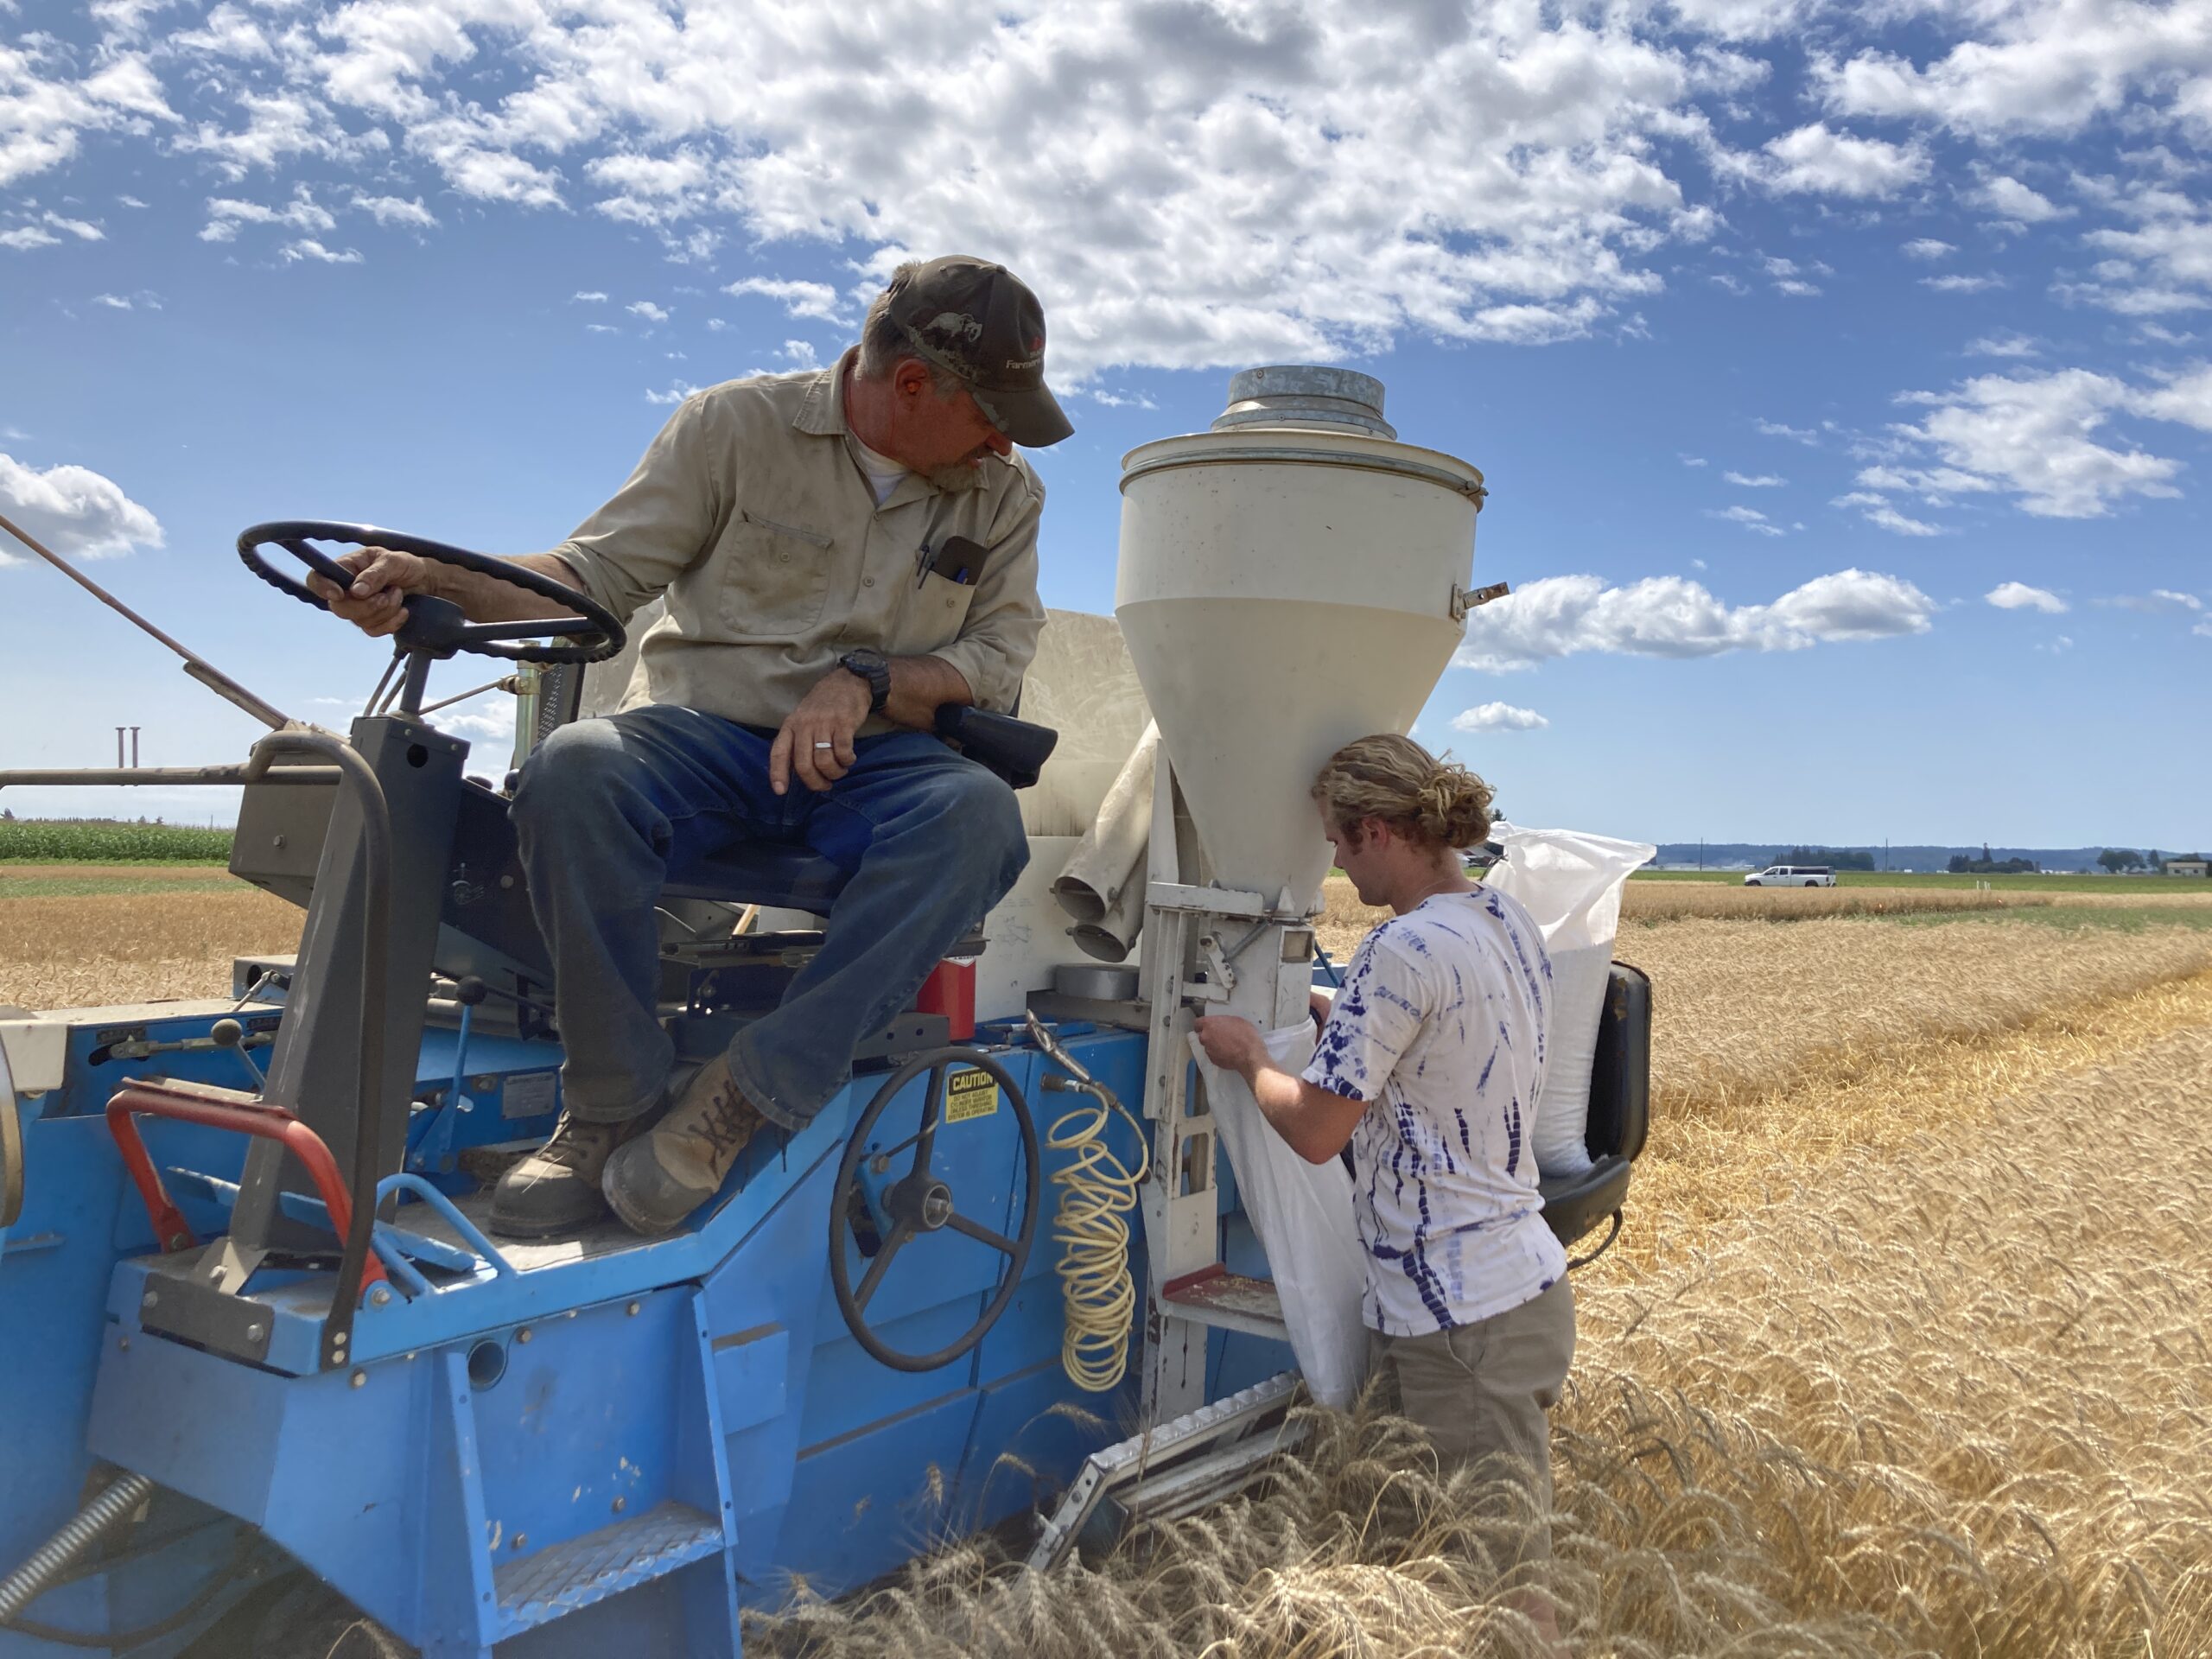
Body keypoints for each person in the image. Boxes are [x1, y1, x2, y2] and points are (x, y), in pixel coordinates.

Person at [308, 256, 1073, 1239]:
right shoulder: (734, 427)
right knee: (575, 768)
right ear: (913, 385)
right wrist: (437, 579)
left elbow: (995, 658)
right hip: (704, 742)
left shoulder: (1004, 493)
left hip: (875, 761)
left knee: (977, 819)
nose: (1004, 439)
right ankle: (610, 1102)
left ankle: (744, 1093)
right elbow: (592, 576)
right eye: (990, 412)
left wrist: (870, 678)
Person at [1192, 734, 1573, 1611]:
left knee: (1503, 1587)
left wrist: (1252, 1058)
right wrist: (1342, 1017)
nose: (1330, 856)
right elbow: (1448, 1043)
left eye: (1333, 837)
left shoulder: (1398, 950)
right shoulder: (1500, 918)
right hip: (1500, 1294)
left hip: (1465, 1322)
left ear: (1373, 831)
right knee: (1418, 1551)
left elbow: (1319, 1133)